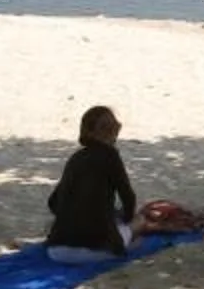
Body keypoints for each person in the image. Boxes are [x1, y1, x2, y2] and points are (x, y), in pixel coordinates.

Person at [44, 105, 140, 265]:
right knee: (139, 223)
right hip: (96, 250)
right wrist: (125, 219)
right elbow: (128, 198)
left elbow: (53, 203)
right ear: (112, 131)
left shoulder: (76, 158)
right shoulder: (110, 156)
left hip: (55, 250)